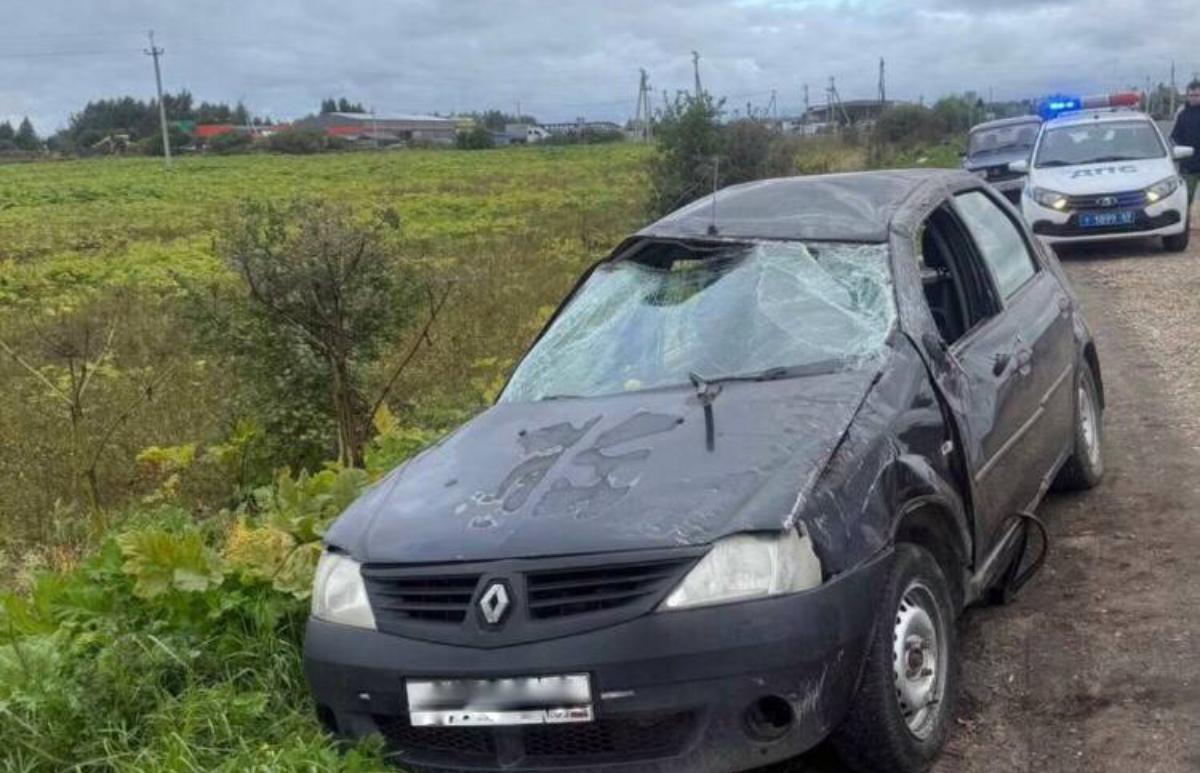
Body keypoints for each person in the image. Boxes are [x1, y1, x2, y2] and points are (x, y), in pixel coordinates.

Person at [1171, 79, 1200, 203]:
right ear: (1187, 96)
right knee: (1187, 200)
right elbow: (1174, 137)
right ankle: (1187, 222)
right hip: (1189, 167)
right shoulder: (1182, 115)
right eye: (1191, 95)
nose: (1194, 98)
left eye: (1197, 95)